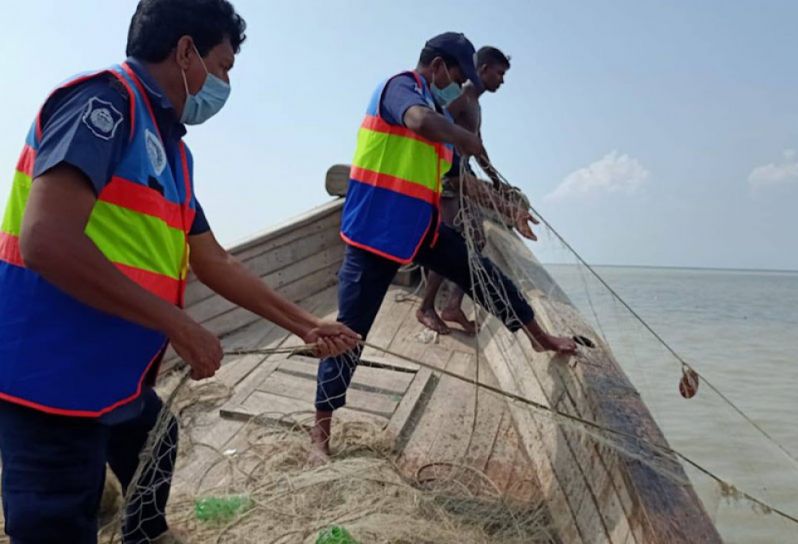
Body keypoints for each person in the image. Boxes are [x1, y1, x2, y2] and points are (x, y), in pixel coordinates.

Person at [0, 1, 359, 543]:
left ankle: (144, 535)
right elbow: (47, 240)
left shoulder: (172, 152)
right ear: (186, 51)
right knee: (56, 519)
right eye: (223, 67)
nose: (223, 84)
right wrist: (178, 324)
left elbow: (214, 260)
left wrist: (305, 324)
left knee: (156, 438)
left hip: (114, 375)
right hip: (51, 378)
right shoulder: (104, 104)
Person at [311, 32, 577, 465]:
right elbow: (417, 122)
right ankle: (320, 434)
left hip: (421, 230)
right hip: (372, 236)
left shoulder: (437, 110)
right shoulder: (400, 88)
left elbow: (463, 183)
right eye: (456, 75)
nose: (457, 85)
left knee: (484, 275)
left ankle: (539, 337)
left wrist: (510, 207)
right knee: (349, 334)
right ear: (436, 67)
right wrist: (464, 136)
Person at [416, 45, 528, 335]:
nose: (501, 81)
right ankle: (426, 306)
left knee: (475, 238)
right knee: (448, 244)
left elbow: (478, 145)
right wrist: (448, 174)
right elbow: (438, 126)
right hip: (449, 180)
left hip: (462, 178)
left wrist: (495, 180)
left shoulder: (475, 104)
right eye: (499, 74)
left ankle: (452, 305)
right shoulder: (461, 97)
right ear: (483, 70)